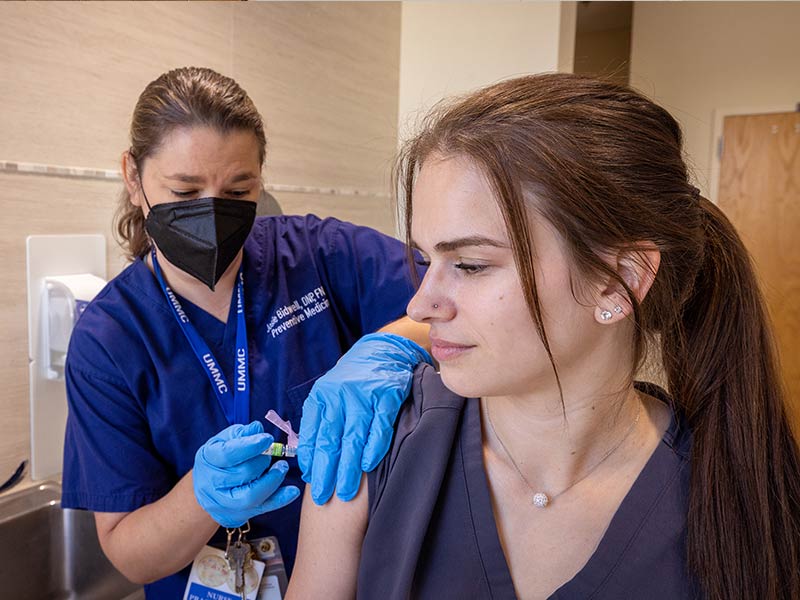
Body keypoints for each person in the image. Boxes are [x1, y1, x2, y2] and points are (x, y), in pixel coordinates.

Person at [286, 73, 800, 599]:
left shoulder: (739, 501)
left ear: (617, 280)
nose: (419, 305)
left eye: (470, 264)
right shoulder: (371, 451)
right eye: (424, 259)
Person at [61, 66, 431, 598]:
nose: (213, 212)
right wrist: (202, 499)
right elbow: (129, 554)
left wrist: (389, 346)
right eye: (185, 190)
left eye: (239, 190)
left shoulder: (317, 256)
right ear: (132, 175)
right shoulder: (109, 338)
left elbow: (451, 299)